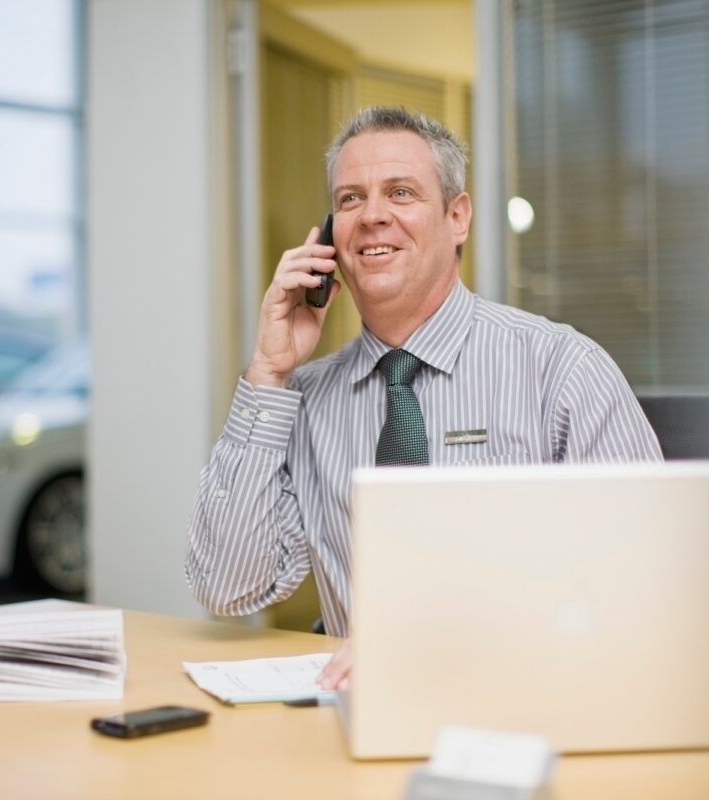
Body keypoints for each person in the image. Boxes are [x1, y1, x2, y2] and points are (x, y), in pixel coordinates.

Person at [184, 106, 661, 689]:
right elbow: (228, 587)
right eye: (350, 199)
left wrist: (444, 646)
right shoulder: (303, 400)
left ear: (457, 217)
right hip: (356, 725)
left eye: (401, 192)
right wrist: (267, 372)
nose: (372, 216)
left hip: (528, 704)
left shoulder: (560, 370)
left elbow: (644, 585)